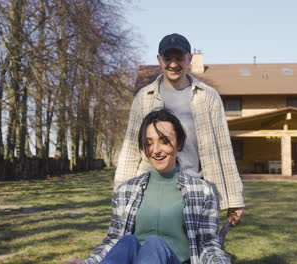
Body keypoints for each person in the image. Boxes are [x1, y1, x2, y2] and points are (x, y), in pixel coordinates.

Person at [65, 110, 230, 264]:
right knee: (127, 241)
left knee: (154, 243)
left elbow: (207, 243)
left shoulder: (202, 191)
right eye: (149, 143)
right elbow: (112, 241)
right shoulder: (125, 191)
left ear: (178, 143)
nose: (156, 150)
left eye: (164, 141)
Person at [114, 33, 244, 218]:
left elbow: (224, 148)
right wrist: (121, 192)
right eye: (168, 58)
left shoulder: (207, 97)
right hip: (151, 190)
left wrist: (235, 199)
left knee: (195, 246)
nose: (173, 64)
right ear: (159, 60)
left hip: (196, 191)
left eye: (179, 58)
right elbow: (131, 148)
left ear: (189, 59)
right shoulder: (144, 97)